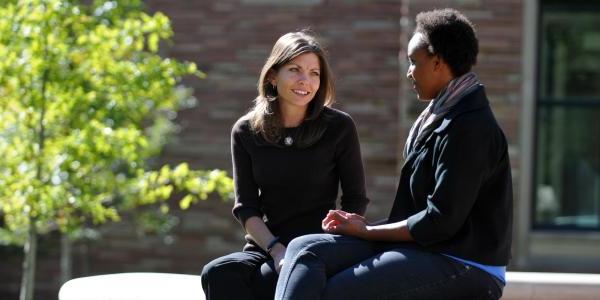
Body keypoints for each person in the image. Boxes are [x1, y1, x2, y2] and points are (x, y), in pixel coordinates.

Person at [275, 9, 512, 300]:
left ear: (437, 62)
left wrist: (366, 231)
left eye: (414, 62)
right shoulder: (438, 116)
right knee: (304, 249)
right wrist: (363, 227)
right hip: (427, 249)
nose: (409, 71)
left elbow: (440, 221)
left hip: (466, 263)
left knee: (336, 291)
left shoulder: (471, 127)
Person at [200, 31, 369, 300]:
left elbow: (355, 199)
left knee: (266, 283)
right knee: (218, 273)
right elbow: (246, 208)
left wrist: (338, 243)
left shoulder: (339, 127)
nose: (306, 80)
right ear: (272, 76)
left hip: (319, 244)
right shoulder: (246, 131)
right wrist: (277, 250)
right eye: (295, 70)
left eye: (314, 73)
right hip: (268, 245)